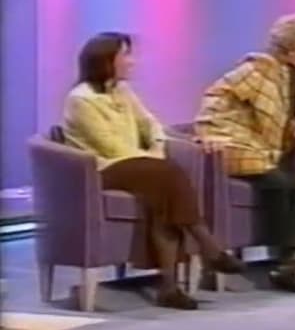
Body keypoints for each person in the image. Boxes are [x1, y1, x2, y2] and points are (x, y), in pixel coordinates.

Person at [64, 32, 244, 310]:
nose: (132, 62)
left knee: (165, 199)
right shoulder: (80, 99)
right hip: (104, 170)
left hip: (141, 167)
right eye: (125, 55)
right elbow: (112, 148)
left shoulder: (122, 91)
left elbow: (151, 124)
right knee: (167, 176)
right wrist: (154, 160)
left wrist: (156, 150)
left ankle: (170, 287)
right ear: (106, 60)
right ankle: (210, 248)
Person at [195, 14, 295, 293]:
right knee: (280, 183)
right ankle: (280, 259)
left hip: (268, 151)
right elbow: (215, 97)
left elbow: (293, 113)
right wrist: (210, 133)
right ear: (291, 47)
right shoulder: (257, 70)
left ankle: (290, 262)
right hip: (240, 145)